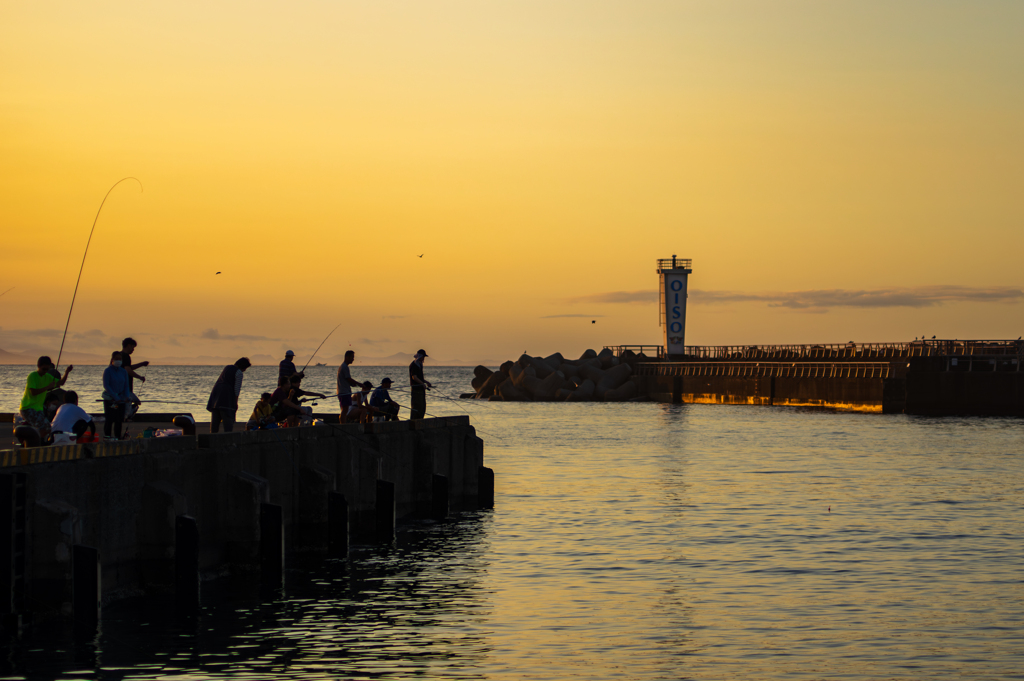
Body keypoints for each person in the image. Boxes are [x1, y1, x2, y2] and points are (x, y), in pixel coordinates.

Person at [20, 355, 73, 440]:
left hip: (38, 409)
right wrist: (47, 387)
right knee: (42, 427)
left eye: (47, 369)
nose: (45, 371)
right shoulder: (32, 376)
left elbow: (61, 382)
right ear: (38, 366)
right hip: (27, 408)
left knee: (48, 428)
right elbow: (33, 392)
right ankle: (34, 442)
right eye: (43, 369)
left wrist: (67, 372)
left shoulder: (47, 377)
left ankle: (38, 442)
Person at [206, 357, 251, 433]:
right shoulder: (239, 373)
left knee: (214, 423)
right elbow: (237, 390)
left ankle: (212, 440)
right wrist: (235, 404)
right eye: (245, 368)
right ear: (243, 366)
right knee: (228, 424)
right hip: (227, 399)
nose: (245, 370)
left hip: (215, 397)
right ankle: (228, 441)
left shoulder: (227, 368)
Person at [102, 351, 131, 440]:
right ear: (112, 360)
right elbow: (106, 385)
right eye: (116, 359)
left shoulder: (123, 371)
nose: (118, 361)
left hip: (121, 399)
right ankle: (107, 436)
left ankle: (118, 437)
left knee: (119, 419)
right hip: (110, 398)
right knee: (110, 419)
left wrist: (127, 396)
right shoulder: (108, 371)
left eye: (120, 359)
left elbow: (126, 385)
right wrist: (115, 397)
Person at [121, 337, 150, 418]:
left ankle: (126, 416)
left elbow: (128, 367)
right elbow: (128, 370)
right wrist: (140, 377)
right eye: (133, 347)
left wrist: (141, 364)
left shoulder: (118, 356)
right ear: (129, 346)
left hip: (119, 388)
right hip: (126, 388)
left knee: (128, 403)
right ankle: (127, 416)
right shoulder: (126, 356)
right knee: (136, 402)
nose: (133, 350)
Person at [336, 350, 361, 423]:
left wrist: (351, 384)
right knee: (345, 410)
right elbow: (349, 378)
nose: (353, 359)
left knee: (344, 409)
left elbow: (346, 380)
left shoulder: (342, 366)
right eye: (352, 357)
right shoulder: (344, 367)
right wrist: (359, 384)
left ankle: (342, 423)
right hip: (344, 392)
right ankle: (343, 424)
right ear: (347, 357)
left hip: (342, 391)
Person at [409, 349, 432, 420]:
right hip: (416, 390)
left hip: (421, 390)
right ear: (420, 356)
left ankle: (420, 420)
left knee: (422, 407)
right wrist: (422, 384)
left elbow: (420, 378)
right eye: (423, 357)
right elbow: (414, 377)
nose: (423, 359)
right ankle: (413, 421)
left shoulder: (420, 365)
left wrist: (426, 382)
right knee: (416, 407)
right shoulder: (414, 365)